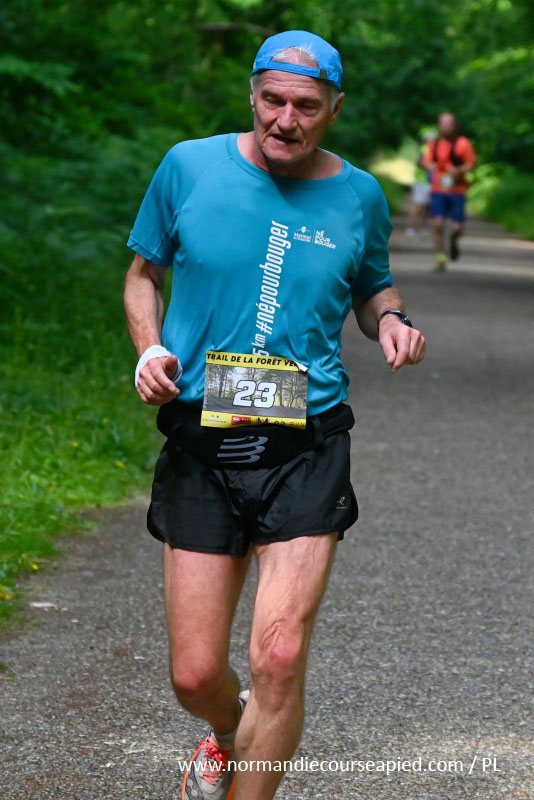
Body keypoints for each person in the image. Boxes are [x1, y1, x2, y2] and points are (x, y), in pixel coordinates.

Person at [124, 29, 426, 800]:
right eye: (273, 101)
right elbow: (142, 274)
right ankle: (229, 732)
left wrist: (391, 319)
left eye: (306, 107)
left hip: (306, 442)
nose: (285, 120)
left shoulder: (358, 195)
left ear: (334, 110)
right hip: (202, 438)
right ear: (252, 95)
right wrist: (149, 348)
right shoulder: (188, 167)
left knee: (280, 657)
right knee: (195, 675)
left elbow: (373, 285)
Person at [422, 111, 476, 271]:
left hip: (457, 190)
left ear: (455, 125)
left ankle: (453, 241)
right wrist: (430, 166)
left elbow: (471, 164)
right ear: (439, 125)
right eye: (443, 123)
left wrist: (458, 170)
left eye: (449, 123)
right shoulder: (433, 144)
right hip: (438, 190)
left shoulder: (463, 143)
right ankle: (441, 257)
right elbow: (425, 161)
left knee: (457, 228)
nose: (446, 127)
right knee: (438, 224)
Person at [405, 131, 436, 237]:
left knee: (426, 207)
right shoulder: (425, 149)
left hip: (428, 182)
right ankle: (411, 228)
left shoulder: (430, 150)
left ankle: (423, 228)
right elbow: (421, 163)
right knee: (418, 206)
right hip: (421, 181)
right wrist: (432, 167)